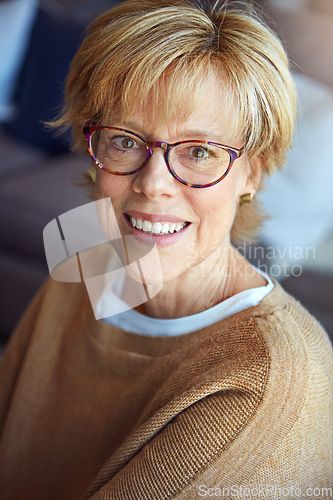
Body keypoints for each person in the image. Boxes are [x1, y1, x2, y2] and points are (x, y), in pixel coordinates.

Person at [0, 0, 332, 498]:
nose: (154, 183)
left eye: (200, 151)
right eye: (125, 141)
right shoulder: (87, 263)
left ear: (253, 173)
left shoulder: (267, 383)